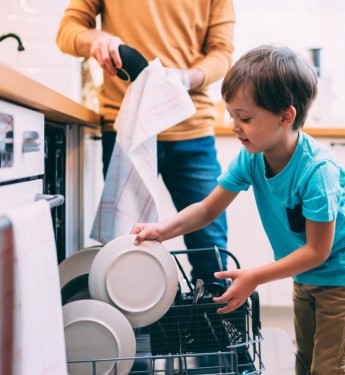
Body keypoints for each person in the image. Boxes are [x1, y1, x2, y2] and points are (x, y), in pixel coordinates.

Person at [132, 45, 345, 375]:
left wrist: (255, 277)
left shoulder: (318, 173)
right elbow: (206, 209)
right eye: (231, 115)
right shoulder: (252, 157)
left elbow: (318, 250)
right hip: (305, 275)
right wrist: (163, 229)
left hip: (342, 276)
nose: (234, 126)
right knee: (305, 360)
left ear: (285, 116)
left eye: (244, 118)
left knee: (329, 368)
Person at [56, 0, 235, 284]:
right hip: (127, 127)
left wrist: (185, 78)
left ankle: (212, 321)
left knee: (209, 252)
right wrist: (96, 39)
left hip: (191, 129)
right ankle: (131, 328)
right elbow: (67, 30)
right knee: (126, 247)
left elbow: (222, 53)